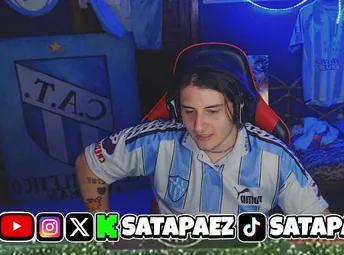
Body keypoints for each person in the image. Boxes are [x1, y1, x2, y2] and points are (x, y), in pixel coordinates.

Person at [75, 64, 330, 216]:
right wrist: (104, 235)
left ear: (239, 109)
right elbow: (89, 165)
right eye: (189, 111)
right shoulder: (156, 141)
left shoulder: (276, 158)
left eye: (212, 111)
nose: (198, 126)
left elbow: (323, 226)